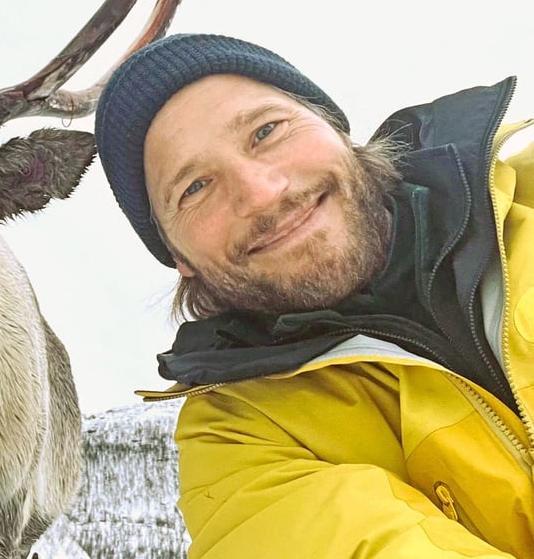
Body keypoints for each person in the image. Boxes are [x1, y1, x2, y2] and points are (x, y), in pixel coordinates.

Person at [94, 33, 534, 558]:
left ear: (336, 128)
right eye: (195, 187)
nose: (261, 193)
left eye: (266, 131)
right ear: (180, 258)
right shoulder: (240, 448)